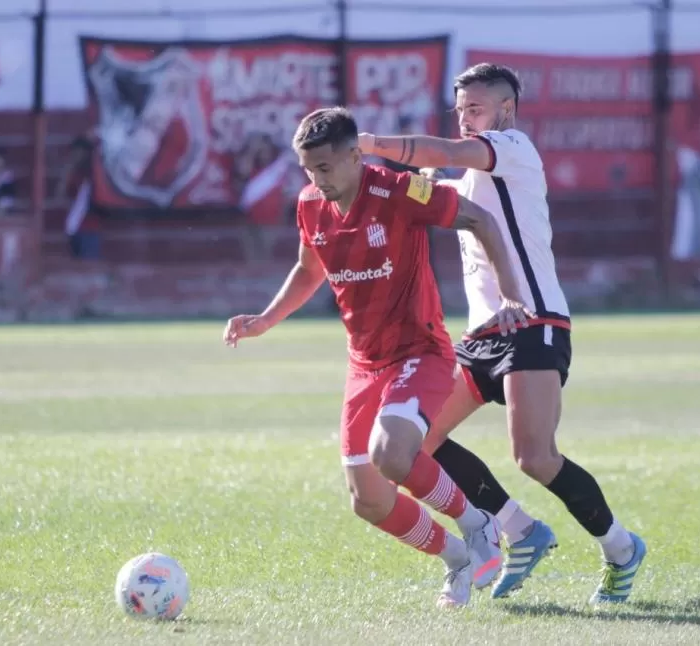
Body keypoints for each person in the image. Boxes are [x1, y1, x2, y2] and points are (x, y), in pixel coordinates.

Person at [357, 63, 647, 604]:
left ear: (504, 111)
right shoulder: (465, 179)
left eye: (475, 109)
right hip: (481, 336)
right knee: (421, 440)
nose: (465, 119)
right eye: (460, 109)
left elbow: (439, 151)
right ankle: (520, 529)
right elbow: (416, 189)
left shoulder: (512, 148)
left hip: (534, 321)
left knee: (535, 457)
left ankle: (621, 548)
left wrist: (370, 142)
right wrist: (358, 174)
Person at [223, 106, 532, 609]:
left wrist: (511, 294)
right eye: (307, 169)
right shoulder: (310, 204)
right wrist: (263, 319)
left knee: (393, 453)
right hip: (364, 362)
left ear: (354, 157)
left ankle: (478, 525)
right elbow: (308, 269)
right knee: (367, 499)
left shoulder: (398, 191)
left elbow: (479, 218)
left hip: (420, 351)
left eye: (324, 168)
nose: (315, 179)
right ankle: (457, 558)